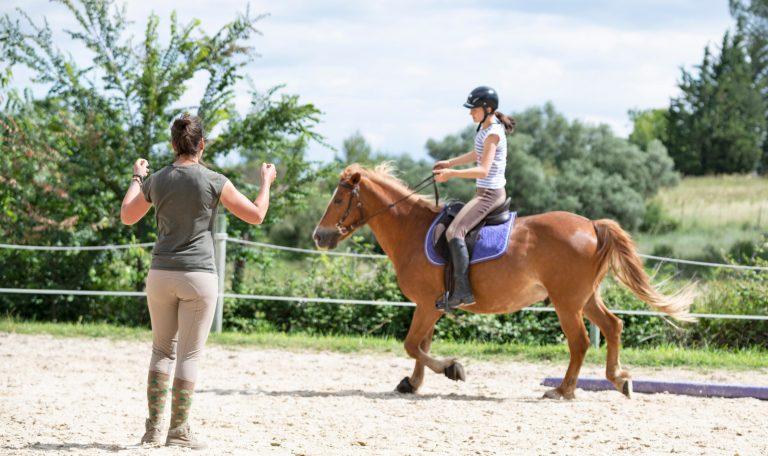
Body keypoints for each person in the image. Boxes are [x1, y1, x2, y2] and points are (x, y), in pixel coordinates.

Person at [120, 113, 277, 449]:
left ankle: (151, 432)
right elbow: (257, 215)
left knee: (162, 350)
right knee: (189, 355)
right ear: (201, 144)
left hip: (161, 274)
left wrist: (137, 177)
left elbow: (127, 215)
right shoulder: (213, 180)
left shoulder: (158, 179)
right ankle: (178, 432)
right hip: (199, 275)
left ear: (173, 145)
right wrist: (266, 183)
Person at [432, 86, 515, 313]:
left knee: (453, 232)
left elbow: (483, 170)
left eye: (474, 109)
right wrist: (449, 163)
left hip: (490, 195)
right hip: (484, 193)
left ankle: (463, 291)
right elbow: (476, 154)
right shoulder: (485, 129)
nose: (470, 113)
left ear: (488, 109)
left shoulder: (493, 133)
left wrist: (451, 175)